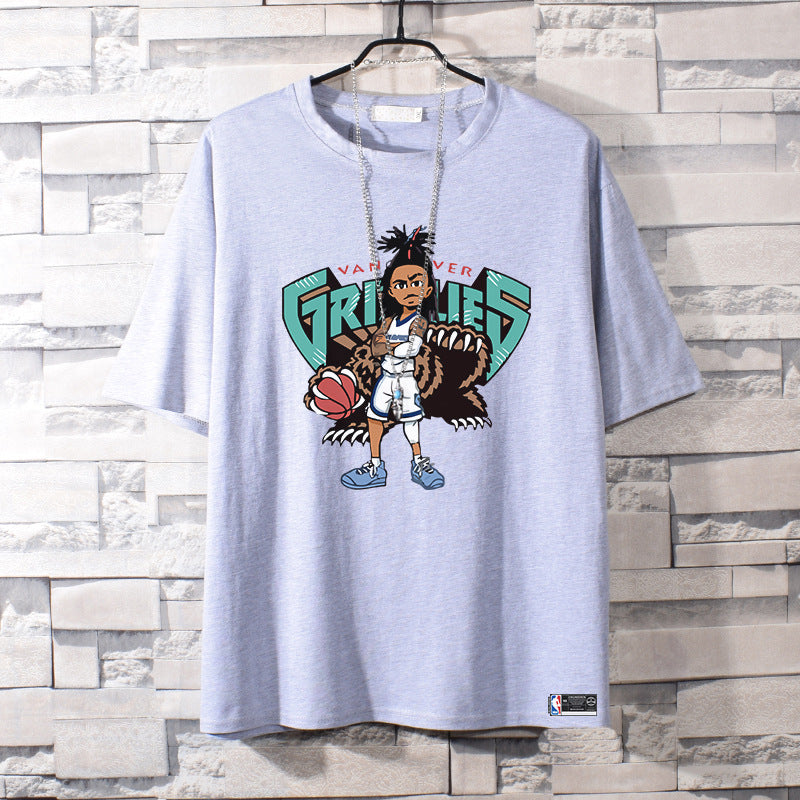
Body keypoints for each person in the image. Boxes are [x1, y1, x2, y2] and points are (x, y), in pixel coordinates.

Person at [341, 225, 445, 490]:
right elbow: (375, 349)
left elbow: (411, 349)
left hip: (406, 379)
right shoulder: (389, 321)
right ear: (390, 291)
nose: (409, 289)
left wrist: (388, 345)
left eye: (417, 282)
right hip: (386, 378)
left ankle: (419, 462)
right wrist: (390, 345)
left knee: (411, 421)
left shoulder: (419, 321)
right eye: (400, 284)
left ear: (428, 289)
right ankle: (375, 466)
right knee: (374, 417)